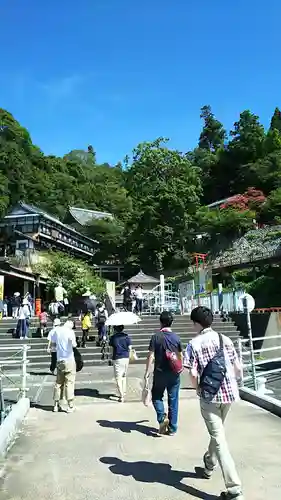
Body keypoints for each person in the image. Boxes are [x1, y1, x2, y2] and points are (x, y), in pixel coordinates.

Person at [184, 306, 243, 500]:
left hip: (209, 396)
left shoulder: (194, 343)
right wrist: (236, 384)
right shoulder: (224, 339)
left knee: (219, 438)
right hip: (229, 393)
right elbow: (237, 367)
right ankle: (209, 463)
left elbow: (192, 373)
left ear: (196, 323)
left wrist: (197, 389)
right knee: (217, 435)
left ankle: (234, 488)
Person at [144, 311, 183, 436]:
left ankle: (162, 417)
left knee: (156, 396)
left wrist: (147, 372)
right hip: (174, 373)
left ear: (160, 322)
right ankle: (173, 428)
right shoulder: (176, 338)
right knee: (173, 399)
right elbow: (180, 355)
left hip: (160, 372)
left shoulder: (156, 336)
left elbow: (150, 356)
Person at [50, 319, 77, 413]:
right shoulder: (70, 332)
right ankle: (70, 405)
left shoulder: (57, 331)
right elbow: (74, 344)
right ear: (71, 325)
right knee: (69, 383)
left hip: (59, 360)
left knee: (58, 383)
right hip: (69, 359)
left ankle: (56, 405)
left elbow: (52, 345)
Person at [109, 325, 132, 402]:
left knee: (118, 377)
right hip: (126, 357)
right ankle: (124, 392)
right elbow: (130, 348)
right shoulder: (126, 336)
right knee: (124, 376)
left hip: (117, 358)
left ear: (115, 329)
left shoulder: (113, 338)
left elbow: (112, 348)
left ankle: (121, 396)